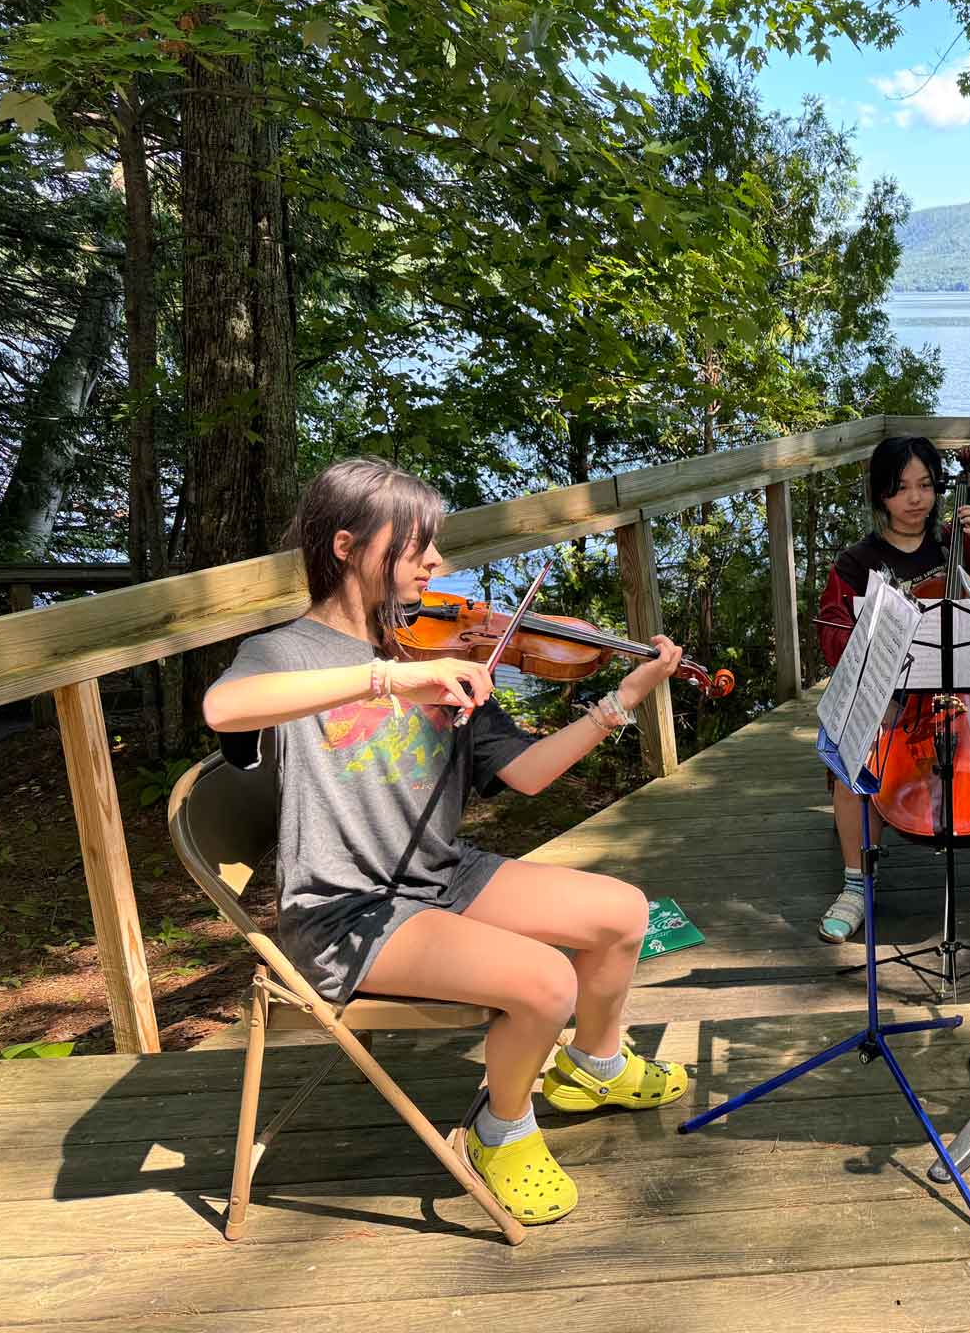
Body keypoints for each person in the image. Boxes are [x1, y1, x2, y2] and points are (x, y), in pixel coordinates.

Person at [203, 457, 690, 1227]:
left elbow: (526, 775)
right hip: (346, 913)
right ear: (346, 546)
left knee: (623, 913)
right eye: (416, 547)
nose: (439, 564)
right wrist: (383, 680)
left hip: (437, 876)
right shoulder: (291, 653)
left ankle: (594, 1066)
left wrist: (620, 702)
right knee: (545, 983)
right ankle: (502, 1131)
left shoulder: (438, 650)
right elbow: (226, 708)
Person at [812, 434, 970, 943]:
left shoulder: (954, 549)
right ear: (880, 496)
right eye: (900, 489)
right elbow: (832, 632)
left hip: (966, 693)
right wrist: (867, 630)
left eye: (925, 485)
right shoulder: (856, 563)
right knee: (852, 748)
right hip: (896, 699)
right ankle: (857, 884)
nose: (915, 499)